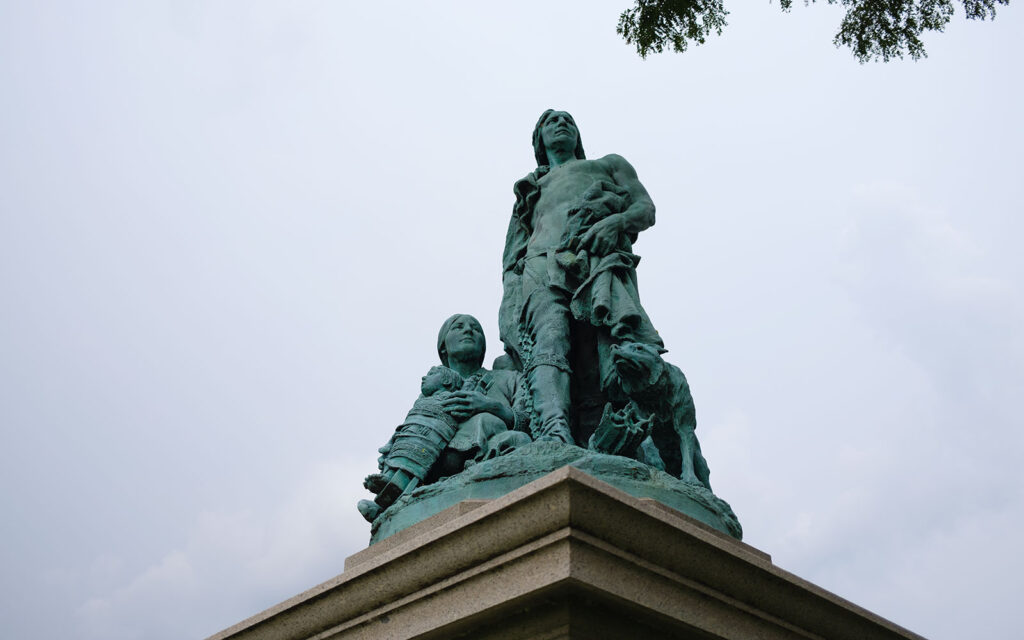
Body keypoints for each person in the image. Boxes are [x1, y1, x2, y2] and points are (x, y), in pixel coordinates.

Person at [499, 110, 664, 445]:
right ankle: (553, 429)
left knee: (598, 355)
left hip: (594, 262)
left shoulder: (607, 164)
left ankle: (603, 435)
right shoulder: (531, 187)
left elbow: (645, 209)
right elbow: (512, 254)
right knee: (548, 342)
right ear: (539, 141)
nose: (561, 124)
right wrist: (510, 299)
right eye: (551, 121)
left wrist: (614, 223)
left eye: (568, 120)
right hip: (541, 263)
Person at [358, 314, 531, 523]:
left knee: (491, 424)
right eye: (458, 327)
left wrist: (490, 406)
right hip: (433, 456)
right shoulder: (433, 387)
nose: (468, 330)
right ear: (443, 348)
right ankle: (388, 498)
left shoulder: (509, 378)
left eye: (475, 329)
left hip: (483, 452)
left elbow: (529, 421)